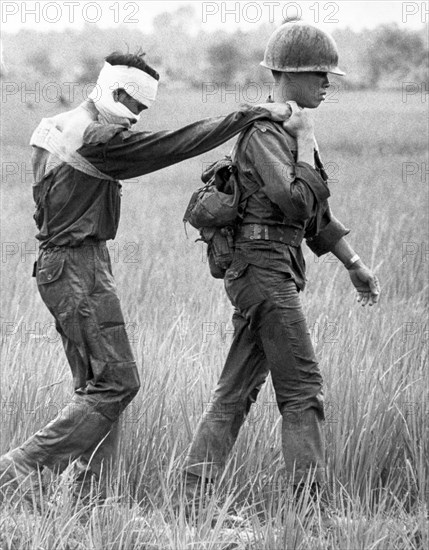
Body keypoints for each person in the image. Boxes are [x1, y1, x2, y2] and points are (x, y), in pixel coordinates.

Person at [0, 50, 293, 504]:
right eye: (135, 107)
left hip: (60, 265)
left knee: (97, 389)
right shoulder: (98, 139)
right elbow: (176, 143)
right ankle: (22, 468)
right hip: (79, 267)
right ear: (115, 94)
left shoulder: (53, 125)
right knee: (119, 382)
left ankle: (90, 500)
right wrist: (249, 113)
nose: (136, 120)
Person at [181, 21, 381, 514]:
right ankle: (311, 514)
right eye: (320, 75)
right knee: (303, 392)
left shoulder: (287, 132)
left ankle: (189, 499)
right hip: (264, 273)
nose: (327, 84)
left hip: (263, 273)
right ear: (289, 75)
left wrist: (354, 264)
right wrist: (308, 139)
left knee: (235, 390)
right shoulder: (267, 134)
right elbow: (294, 201)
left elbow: (315, 219)